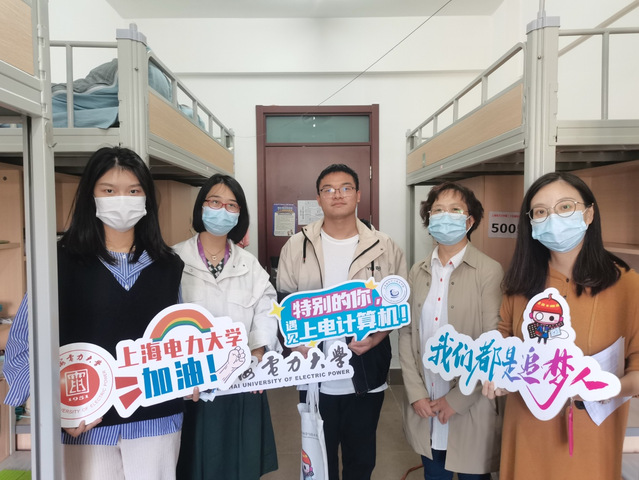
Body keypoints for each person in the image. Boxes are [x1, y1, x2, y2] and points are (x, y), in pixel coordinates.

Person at [3, 146, 185, 480]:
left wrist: (195, 374)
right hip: (84, 422)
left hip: (156, 418)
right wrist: (48, 408)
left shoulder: (168, 265)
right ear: (91, 195)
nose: (122, 200)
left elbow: (178, 336)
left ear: (147, 198)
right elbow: (22, 344)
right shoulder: (58, 262)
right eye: (109, 191)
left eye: (134, 191)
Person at [483, 171, 639, 479]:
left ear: (589, 214)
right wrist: (495, 376)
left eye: (565, 207)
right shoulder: (519, 284)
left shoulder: (627, 285)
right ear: (531, 223)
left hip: (591, 437)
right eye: (541, 212)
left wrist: (608, 387)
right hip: (526, 429)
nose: (553, 218)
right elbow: (503, 345)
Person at [277, 163, 407, 480]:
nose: (338, 195)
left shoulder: (384, 245)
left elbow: (398, 304)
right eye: (329, 189)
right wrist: (296, 345)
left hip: (366, 372)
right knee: (319, 461)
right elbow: (283, 306)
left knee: (360, 460)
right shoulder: (296, 245)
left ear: (358, 195)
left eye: (346, 188)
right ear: (318, 198)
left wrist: (377, 338)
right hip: (314, 375)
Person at [173, 173, 280, 480]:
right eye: (215, 202)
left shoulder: (249, 263)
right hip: (192, 383)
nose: (222, 211)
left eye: (232, 205)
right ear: (201, 206)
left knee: (240, 464)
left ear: (239, 214)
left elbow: (267, 306)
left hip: (241, 378)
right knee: (193, 465)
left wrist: (259, 349)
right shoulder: (173, 258)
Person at [398, 182, 503, 480]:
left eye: (455, 210)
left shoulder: (489, 271)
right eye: (438, 210)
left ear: (470, 221)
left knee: (472, 475)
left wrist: (456, 401)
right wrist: (416, 393)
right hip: (426, 401)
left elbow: (492, 343)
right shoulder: (417, 270)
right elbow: (407, 333)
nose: (445, 216)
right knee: (434, 473)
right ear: (429, 219)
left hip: (470, 403)